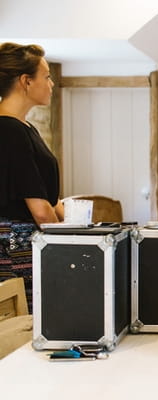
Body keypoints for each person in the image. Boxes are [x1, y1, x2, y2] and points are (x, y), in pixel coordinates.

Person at [0, 42, 63, 309]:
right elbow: (39, 210)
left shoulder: (26, 129)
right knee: (33, 326)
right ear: (26, 81)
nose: (51, 84)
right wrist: (67, 243)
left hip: (28, 240)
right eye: (46, 76)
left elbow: (48, 197)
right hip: (18, 247)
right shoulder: (9, 131)